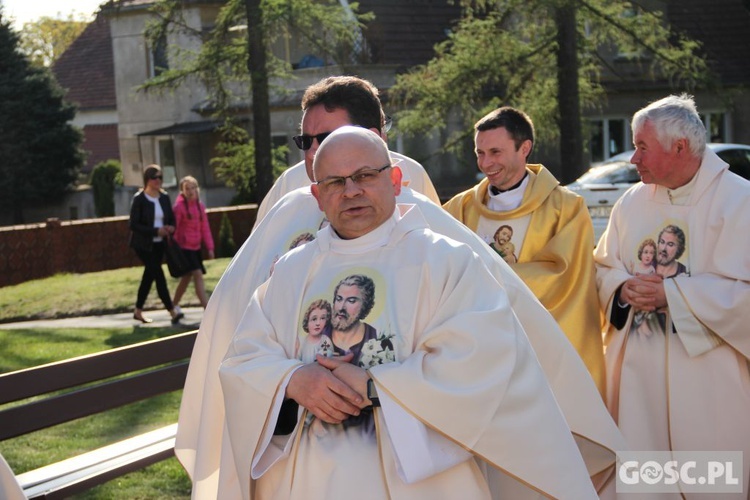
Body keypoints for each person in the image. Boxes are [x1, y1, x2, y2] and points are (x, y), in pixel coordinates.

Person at [175, 109, 625, 498]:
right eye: (334, 181)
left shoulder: (446, 260)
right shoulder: (290, 271)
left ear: (395, 180)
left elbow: (484, 359)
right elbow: (243, 359)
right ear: (317, 195)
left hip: (422, 483)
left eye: (365, 176)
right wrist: (292, 382)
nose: (351, 191)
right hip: (307, 483)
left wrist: (377, 387)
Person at [594, 94, 750, 498]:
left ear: (680, 147)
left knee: (710, 482)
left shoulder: (739, 201)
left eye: (642, 146)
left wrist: (673, 294)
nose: (633, 159)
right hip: (639, 382)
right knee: (647, 483)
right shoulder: (630, 203)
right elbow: (602, 267)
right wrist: (622, 288)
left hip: (706, 377)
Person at [443, 106, 605, 396]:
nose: (485, 163)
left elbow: (565, 277)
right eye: (480, 153)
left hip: (540, 348)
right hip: (482, 350)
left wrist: (484, 277)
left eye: (495, 152)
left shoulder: (565, 208)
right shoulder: (460, 208)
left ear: (524, 148)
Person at [251, 75, 440, 230]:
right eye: (306, 141)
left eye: (327, 139)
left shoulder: (414, 175)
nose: (311, 153)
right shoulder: (289, 184)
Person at [128, 164, 182, 324]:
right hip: (143, 245)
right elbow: (133, 224)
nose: (158, 181)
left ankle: (138, 310)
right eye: (154, 177)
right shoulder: (139, 199)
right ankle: (172, 311)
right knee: (158, 275)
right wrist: (155, 231)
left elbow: (171, 218)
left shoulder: (164, 197)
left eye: (160, 177)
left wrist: (171, 227)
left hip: (160, 244)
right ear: (147, 179)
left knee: (149, 276)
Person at [171, 175, 215, 311]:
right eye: (187, 188)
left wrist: (210, 247)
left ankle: (173, 304)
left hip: (195, 248)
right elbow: (176, 230)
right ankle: (206, 307)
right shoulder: (179, 208)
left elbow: (205, 228)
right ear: (182, 191)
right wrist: (174, 249)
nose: (190, 191)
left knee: (186, 277)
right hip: (184, 248)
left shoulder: (200, 207)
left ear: (197, 189)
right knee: (197, 273)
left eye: (193, 188)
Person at [298, 299, 333, 363]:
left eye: (322, 318)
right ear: (307, 321)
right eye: (314, 319)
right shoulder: (302, 342)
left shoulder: (326, 341)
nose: (318, 323)